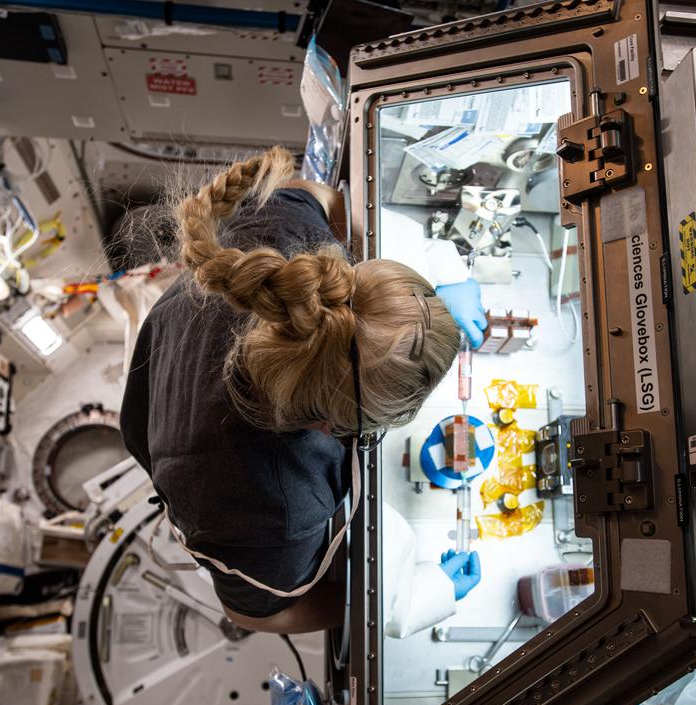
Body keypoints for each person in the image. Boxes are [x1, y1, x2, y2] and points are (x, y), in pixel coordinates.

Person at [120, 147, 487, 634]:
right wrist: (399, 600)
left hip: (175, 366)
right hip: (182, 439)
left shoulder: (285, 260)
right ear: (331, 428)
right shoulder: (267, 506)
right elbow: (254, 614)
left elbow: (313, 194)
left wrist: (446, 282)